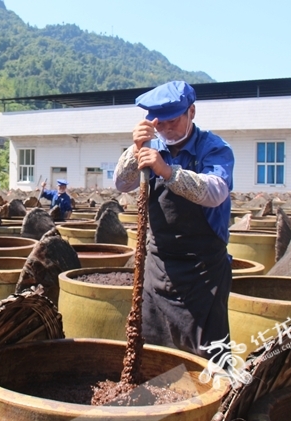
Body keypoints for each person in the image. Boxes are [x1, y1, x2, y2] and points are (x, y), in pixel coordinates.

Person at [113, 81, 235, 361]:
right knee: (153, 348)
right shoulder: (149, 146)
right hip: (158, 265)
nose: (166, 129)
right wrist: (135, 149)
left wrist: (167, 171)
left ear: (191, 112)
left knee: (206, 354)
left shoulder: (214, 148)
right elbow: (122, 183)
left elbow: (215, 192)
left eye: (173, 121)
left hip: (202, 272)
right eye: (160, 124)